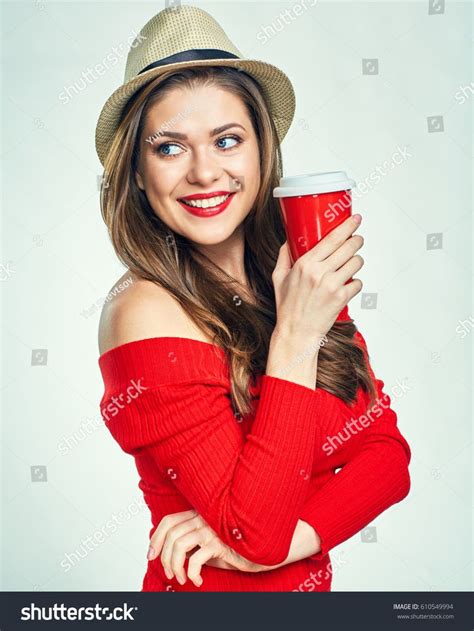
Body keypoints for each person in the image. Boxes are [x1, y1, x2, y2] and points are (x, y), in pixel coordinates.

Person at [96, 5, 411, 592]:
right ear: (137, 172)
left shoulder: (295, 281)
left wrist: (274, 546)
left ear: (262, 151)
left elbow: (387, 460)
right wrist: (296, 334)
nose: (204, 172)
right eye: (169, 148)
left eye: (226, 140)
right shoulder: (143, 310)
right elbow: (254, 530)